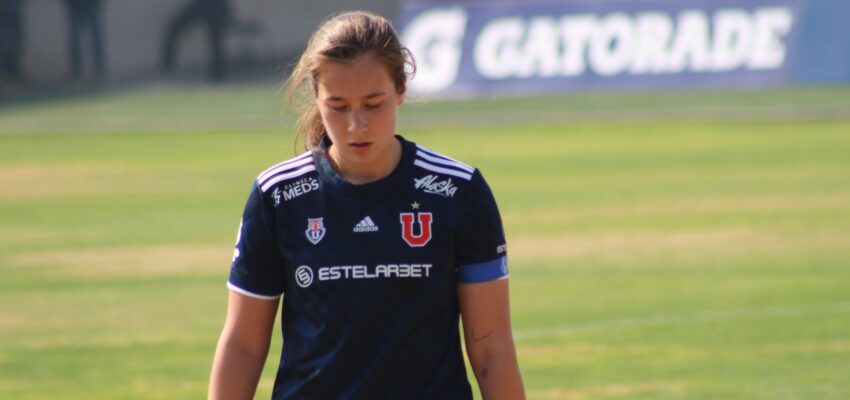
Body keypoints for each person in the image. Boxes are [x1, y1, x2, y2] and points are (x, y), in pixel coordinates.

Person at [208, 11, 525, 399]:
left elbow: (491, 347)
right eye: (338, 106)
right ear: (316, 96)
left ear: (401, 89)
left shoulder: (458, 192)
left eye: (373, 104)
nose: (356, 125)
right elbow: (242, 346)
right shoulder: (279, 196)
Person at [161, 0, 231, 82]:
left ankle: (218, 73)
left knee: (216, 39)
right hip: (208, 4)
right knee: (216, 39)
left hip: (214, 4)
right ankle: (218, 73)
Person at [62, 0, 105, 80]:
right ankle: (76, 70)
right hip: (73, 4)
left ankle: (99, 69)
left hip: (90, 3)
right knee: (75, 37)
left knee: (95, 36)